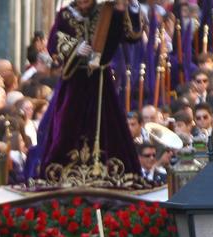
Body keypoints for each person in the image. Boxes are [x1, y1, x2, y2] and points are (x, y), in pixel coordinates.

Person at [38, 0, 143, 177]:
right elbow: (53, 42)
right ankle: (62, 173)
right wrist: (74, 48)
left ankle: (109, 172)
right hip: (74, 84)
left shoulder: (108, 11)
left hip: (101, 81)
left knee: (108, 128)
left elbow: (132, 35)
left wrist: (131, 7)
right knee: (66, 127)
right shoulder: (65, 14)